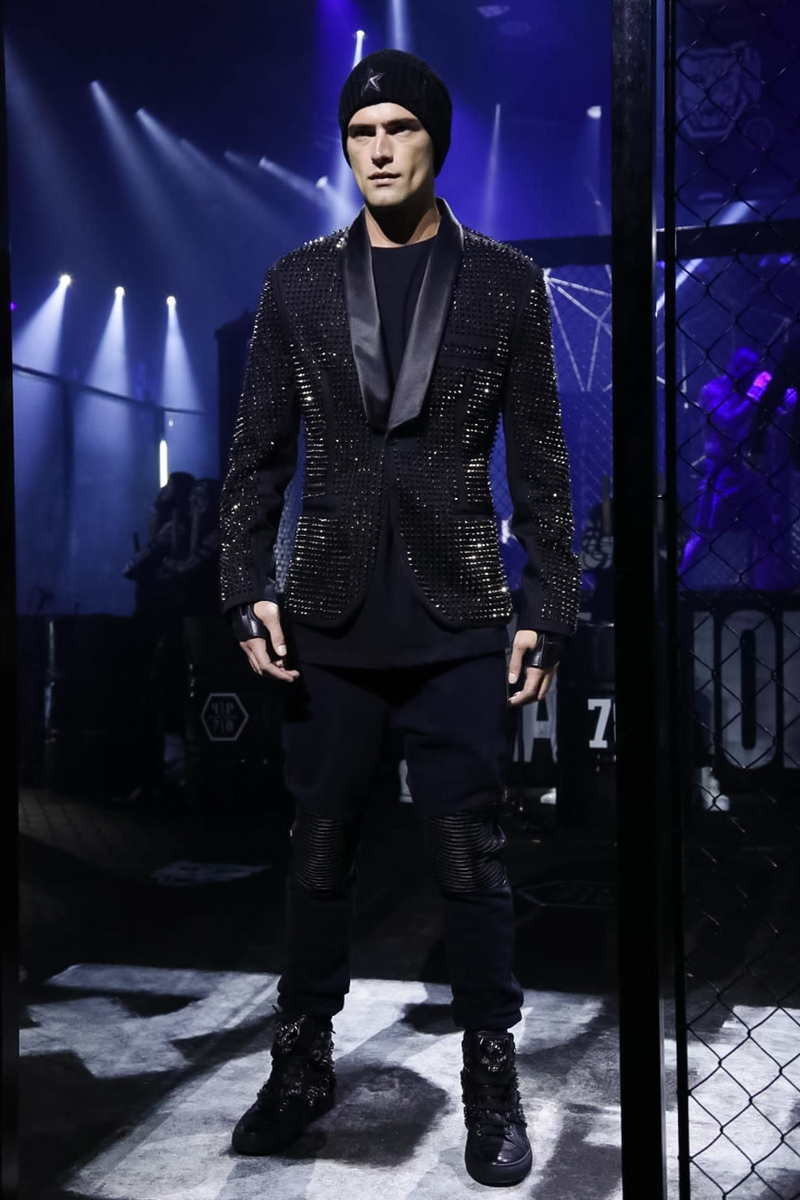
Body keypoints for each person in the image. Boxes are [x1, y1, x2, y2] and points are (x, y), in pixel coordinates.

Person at [219, 48, 579, 1187]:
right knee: (319, 846)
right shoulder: (295, 283)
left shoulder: (505, 283)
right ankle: (301, 1064)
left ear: (436, 141)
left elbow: (542, 457)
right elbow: (255, 452)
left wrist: (550, 599)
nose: (377, 151)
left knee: (469, 852)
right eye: (360, 133)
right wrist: (243, 581)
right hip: (326, 612)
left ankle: (489, 1079)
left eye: (398, 130)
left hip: (458, 610)